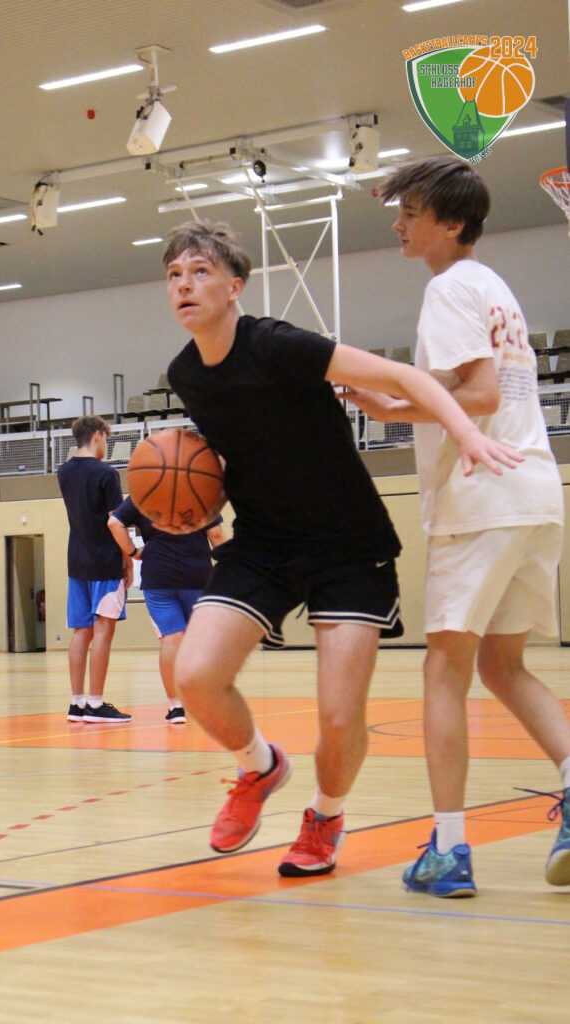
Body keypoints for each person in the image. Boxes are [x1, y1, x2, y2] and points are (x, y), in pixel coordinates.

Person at [161, 219, 519, 877]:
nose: (184, 285)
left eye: (200, 272)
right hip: (264, 541)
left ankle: (325, 816)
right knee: (195, 675)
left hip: (347, 544)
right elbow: (234, 454)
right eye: (174, 275)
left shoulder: (278, 345)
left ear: (235, 285)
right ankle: (259, 768)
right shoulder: (186, 373)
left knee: (338, 715)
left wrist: (467, 433)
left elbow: (404, 378)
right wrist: (195, 505)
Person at [347, 155, 570, 896]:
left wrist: (393, 404)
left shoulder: (446, 289)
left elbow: (475, 395)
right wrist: (393, 405)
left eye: (410, 212)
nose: (397, 224)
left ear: (449, 224)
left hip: (482, 499)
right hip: (534, 489)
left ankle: (447, 849)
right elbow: (471, 387)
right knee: (503, 666)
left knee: (444, 669)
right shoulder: (491, 286)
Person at [108, 497, 226, 723]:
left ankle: (176, 707)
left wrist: (133, 553)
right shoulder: (200, 491)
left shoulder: (145, 492)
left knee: (171, 639)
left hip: (158, 576)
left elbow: (114, 523)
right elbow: (217, 536)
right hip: (197, 576)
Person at [57, 415, 132, 725]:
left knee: (81, 631)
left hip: (76, 560)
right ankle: (96, 704)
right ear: (98, 435)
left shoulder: (63, 472)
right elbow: (116, 522)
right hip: (104, 560)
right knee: (103, 630)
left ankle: (77, 703)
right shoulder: (107, 473)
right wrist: (129, 557)